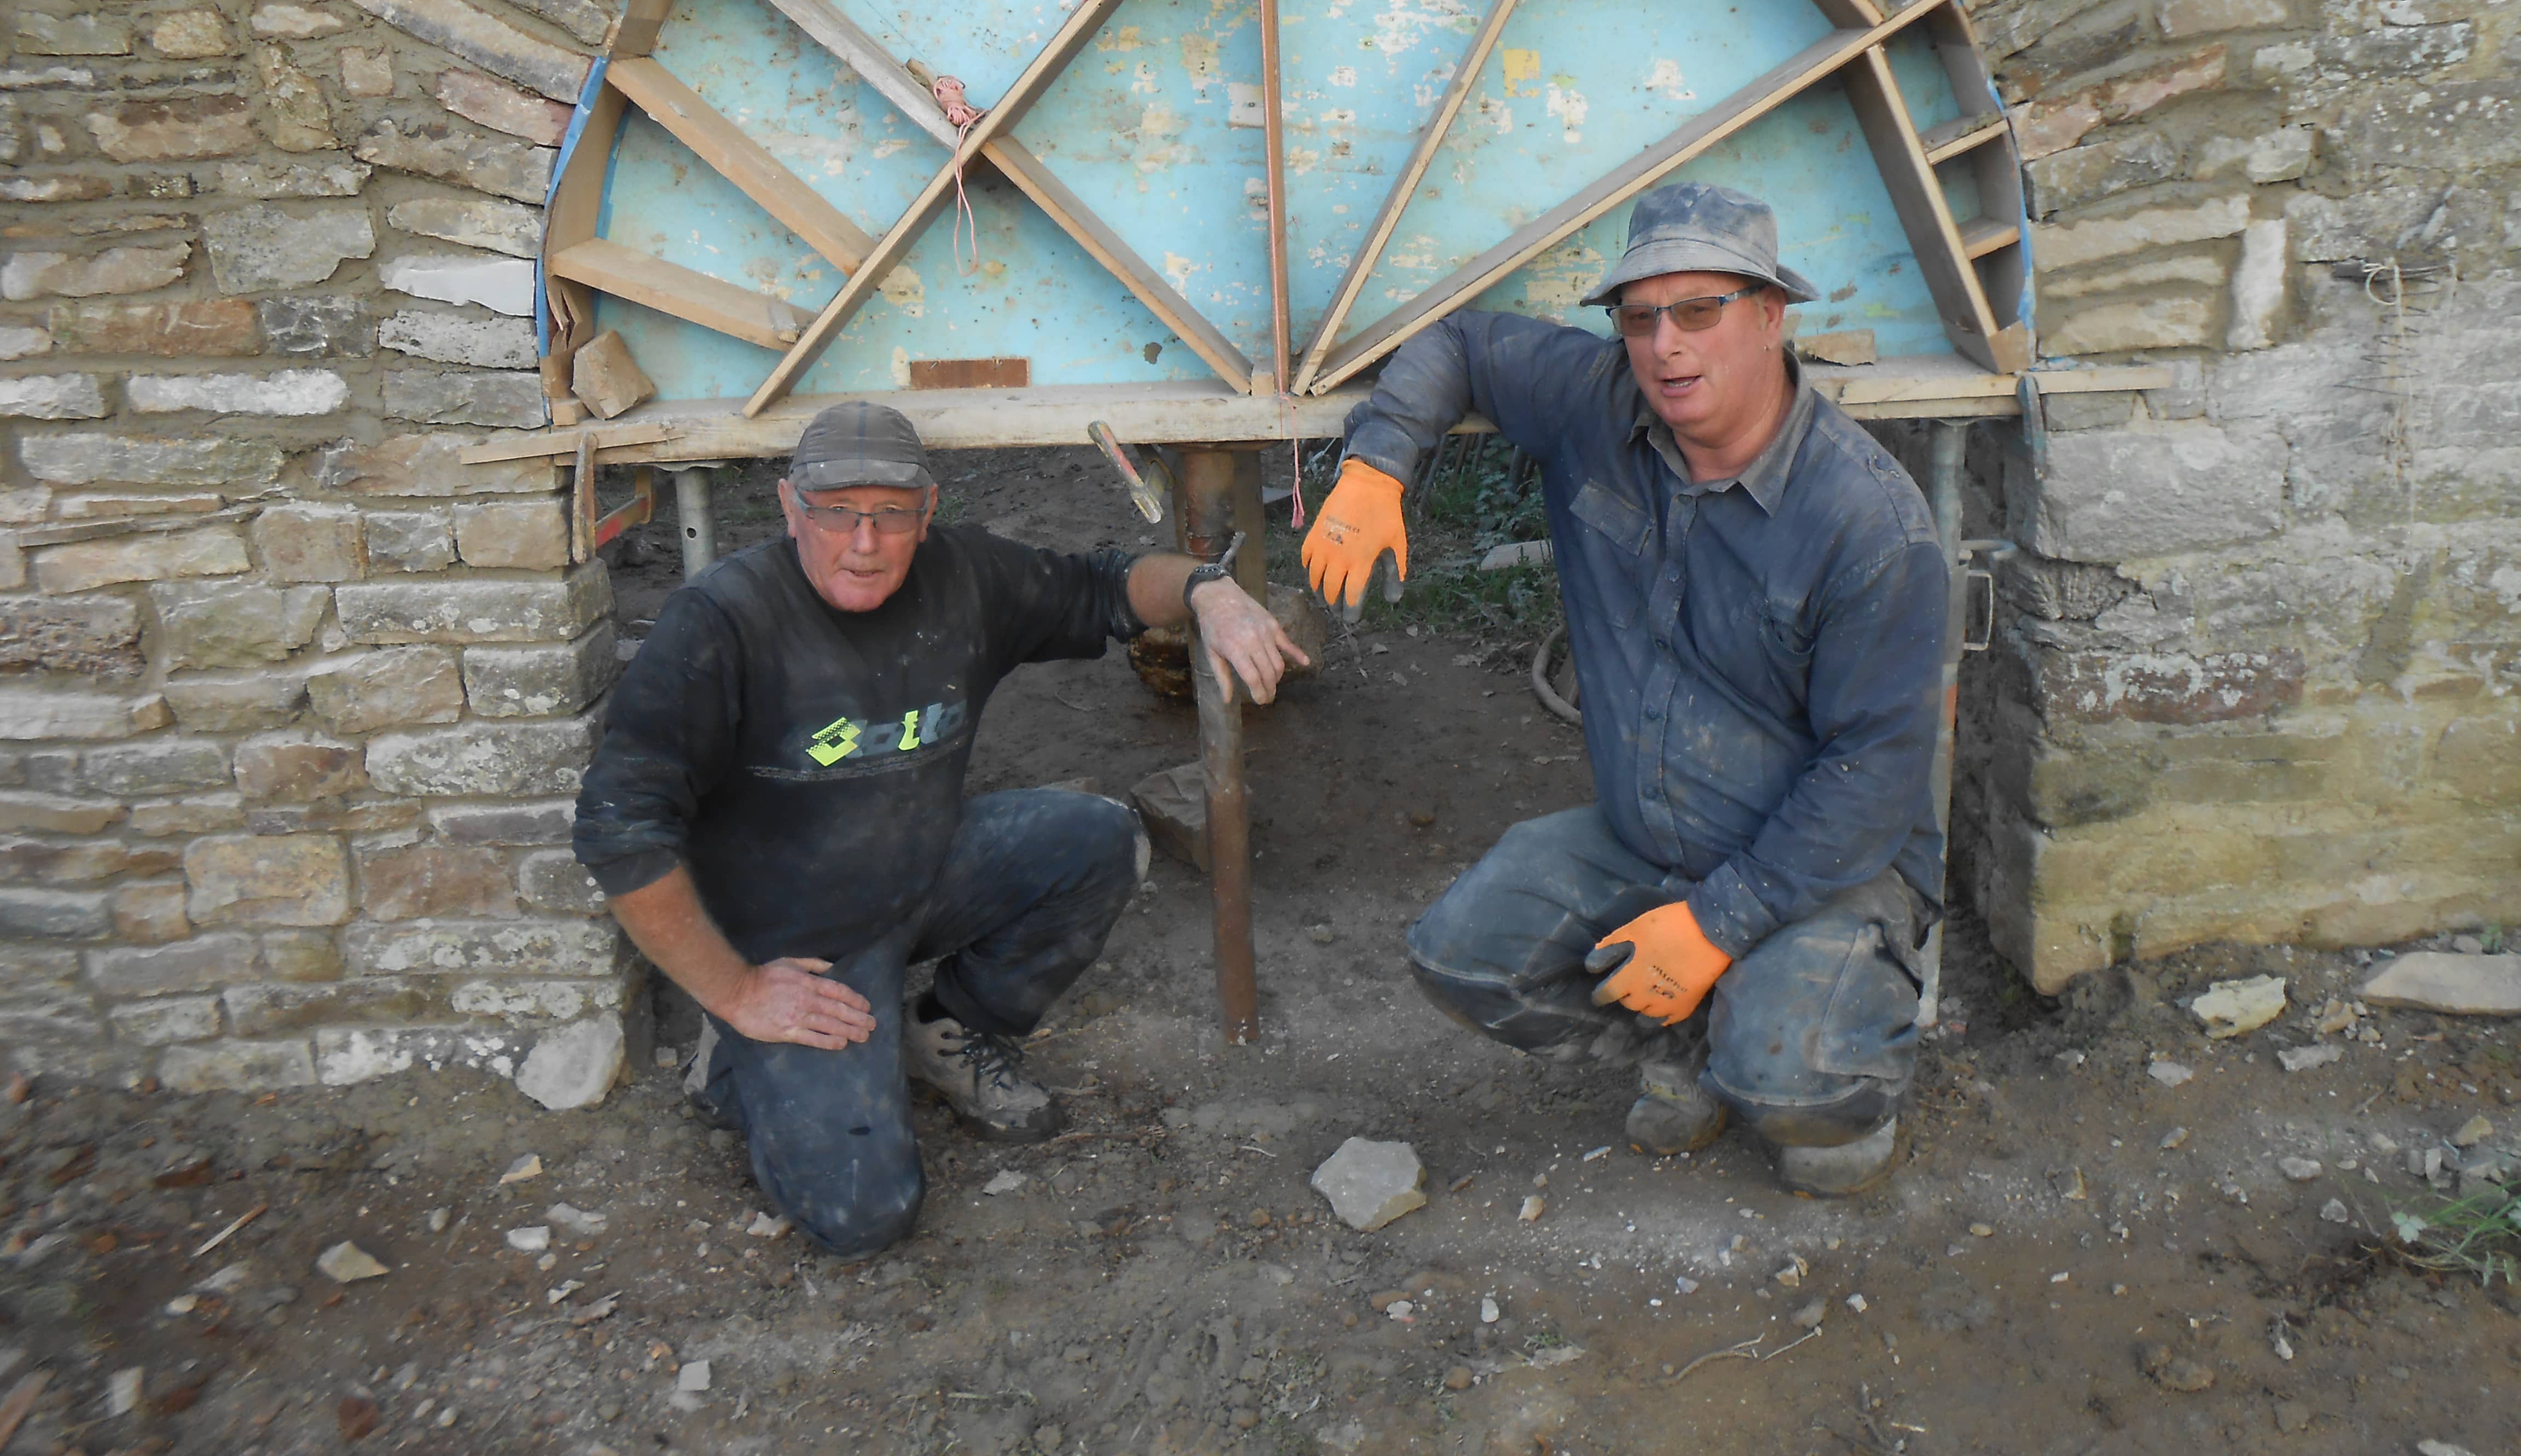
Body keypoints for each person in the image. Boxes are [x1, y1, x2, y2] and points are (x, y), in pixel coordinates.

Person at [1302, 183, 1948, 1196]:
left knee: (1796, 1084)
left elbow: (1875, 776)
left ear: (1772, 317)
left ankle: (1822, 1085)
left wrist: (1716, 925)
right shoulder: (1602, 403)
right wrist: (1377, 466)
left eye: (1700, 310)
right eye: (1639, 316)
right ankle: (1689, 1048)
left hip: (1827, 867)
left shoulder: (1867, 526)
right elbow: (1463, 343)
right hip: (1650, 839)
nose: (1665, 345)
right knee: (1464, 955)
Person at [573, 401, 1309, 1257]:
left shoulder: (964, 580)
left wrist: (1205, 590)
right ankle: (733, 1049)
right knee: (863, 1216)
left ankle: (946, 1028)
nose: (863, 540)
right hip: (799, 945)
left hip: (921, 873)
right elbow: (620, 830)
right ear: (788, 509)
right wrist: (734, 988)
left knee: (1097, 839)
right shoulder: (722, 622)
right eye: (835, 511)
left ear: (926, 514)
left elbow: (1107, 584)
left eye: (890, 514)